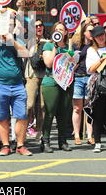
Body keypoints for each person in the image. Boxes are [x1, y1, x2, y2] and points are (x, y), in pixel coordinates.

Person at [0, 9, 32, 156]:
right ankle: (5, 145)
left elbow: (26, 53)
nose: (8, 25)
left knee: (22, 116)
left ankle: (20, 145)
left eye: (10, 23)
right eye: (5, 23)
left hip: (17, 85)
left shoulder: (17, 39)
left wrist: (12, 40)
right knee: (2, 117)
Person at [41, 22, 74, 152]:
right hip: (51, 81)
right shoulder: (48, 45)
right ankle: (45, 141)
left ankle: (62, 140)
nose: (60, 32)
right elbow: (48, 63)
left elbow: (72, 67)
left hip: (66, 83)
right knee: (50, 112)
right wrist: (55, 47)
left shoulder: (69, 46)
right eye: (57, 30)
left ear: (66, 32)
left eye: (62, 30)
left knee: (64, 113)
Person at [71, 22, 94, 145]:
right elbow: (71, 61)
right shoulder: (76, 45)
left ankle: (90, 135)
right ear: (84, 32)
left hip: (91, 77)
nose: (91, 33)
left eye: (93, 30)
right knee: (77, 108)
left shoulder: (95, 46)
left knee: (89, 108)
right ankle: (77, 134)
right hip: (79, 77)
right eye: (89, 30)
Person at [24, 19, 46, 140]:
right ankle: (25, 127)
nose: (39, 27)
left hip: (45, 75)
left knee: (43, 105)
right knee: (29, 104)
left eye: (40, 25)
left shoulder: (48, 39)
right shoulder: (29, 39)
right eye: (36, 26)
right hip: (31, 74)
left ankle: (39, 130)